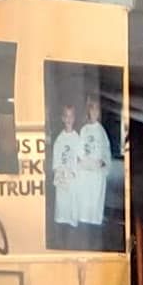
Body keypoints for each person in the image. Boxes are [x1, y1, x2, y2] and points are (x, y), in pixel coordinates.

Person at [48, 91, 116, 238]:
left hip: (94, 173)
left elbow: (105, 153)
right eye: (91, 109)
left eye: (96, 110)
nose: (94, 112)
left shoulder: (101, 131)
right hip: (81, 174)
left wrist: (101, 163)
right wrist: (72, 168)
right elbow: (77, 155)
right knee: (76, 205)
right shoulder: (83, 131)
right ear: (87, 111)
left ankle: (92, 231)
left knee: (92, 205)